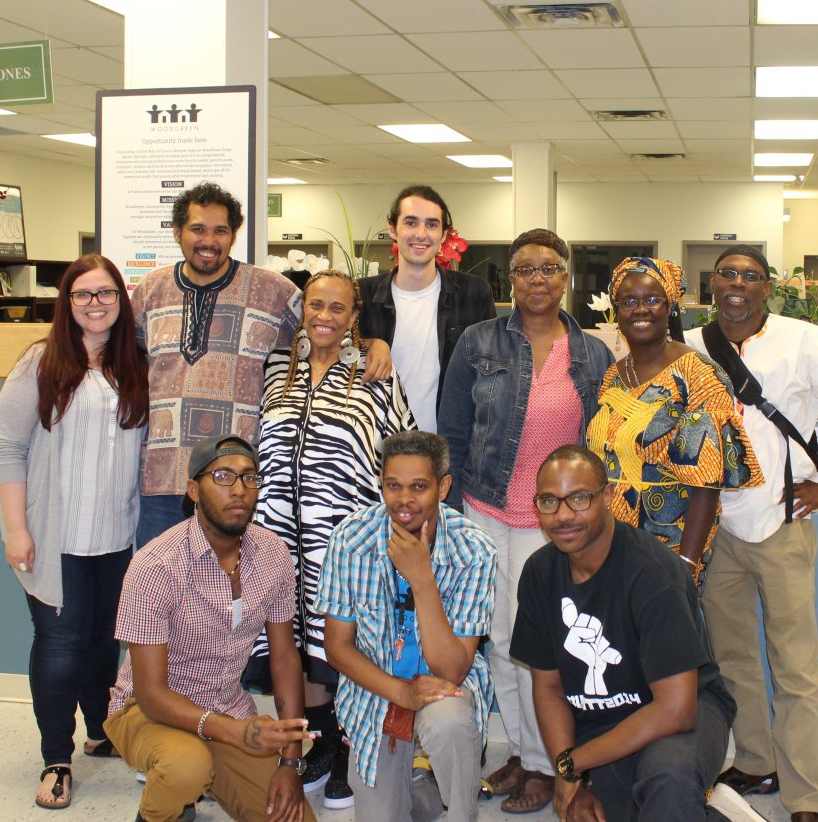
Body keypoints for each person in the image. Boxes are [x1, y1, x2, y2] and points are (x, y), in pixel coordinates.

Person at [684, 245, 818, 822]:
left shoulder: (807, 341)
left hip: (782, 524)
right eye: (727, 273)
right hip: (714, 524)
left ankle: (805, 795)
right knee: (730, 656)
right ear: (712, 283)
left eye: (750, 276)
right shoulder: (693, 348)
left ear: (766, 287)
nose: (737, 284)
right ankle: (754, 760)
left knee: (795, 666)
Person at [439, 228, 614, 813]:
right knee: (498, 638)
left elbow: (602, 444)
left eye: (549, 269)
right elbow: (453, 433)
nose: (538, 279)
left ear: (565, 278)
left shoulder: (592, 353)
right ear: (508, 281)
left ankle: (546, 761)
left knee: (542, 641)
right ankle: (523, 751)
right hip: (487, 510)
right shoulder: (477, 341)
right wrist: (453, 514)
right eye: (525, 270)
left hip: (557, 523)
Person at [131, 182, 392, 546]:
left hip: (236, 484)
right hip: (162, 480)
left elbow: (325, 326)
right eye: (198, 229)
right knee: (157, 592)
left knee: (234, 596)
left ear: (233, 236)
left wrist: (375, 344)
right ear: (178, 232)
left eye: (220, 230)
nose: (209, 240)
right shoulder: (149, 292)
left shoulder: (273, 291)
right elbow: (121, 364)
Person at [511, 445, 759, 822]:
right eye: (549, 501)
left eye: (579, 499)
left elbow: (676, 711)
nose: (563, 516)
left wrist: (574, 763)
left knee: (667, 785)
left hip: (685, 709)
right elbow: (548, 688)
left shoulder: (653, 573)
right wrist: (572, 776)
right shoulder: (539, 574)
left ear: (607, 496)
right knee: (596, 813)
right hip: (604, 718)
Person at [245, 269, 416, 808]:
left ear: (353, 316)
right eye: (315, 304)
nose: (323, 316)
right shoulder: (277, 368)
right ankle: (312, 742)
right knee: (294, 644)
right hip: (276, 535)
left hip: (344, 539)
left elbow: (401, 449)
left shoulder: (374, 371)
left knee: (340, 643)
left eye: (336, 308)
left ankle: (347, 752)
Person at [0, 254, 149, 810]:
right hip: (54, 537)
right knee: (60, 647)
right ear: (67, 303)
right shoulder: (40, 362)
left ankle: (101, 730)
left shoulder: (134, 363)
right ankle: (57, 758)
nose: (95, 304)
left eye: (106, 294)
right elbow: (8, 448)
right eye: (83, 295)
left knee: (105, 642)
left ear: (120, 301)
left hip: (117, 537)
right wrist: (16, 529)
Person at [104, 435, 317, 822]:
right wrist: (236, 734)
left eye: (249, 478)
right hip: (145, 711)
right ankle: (164, 808)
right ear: (193, 490)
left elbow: (285, 659)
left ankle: (200, 780)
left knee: (291, 816)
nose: (238, 490)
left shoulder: (273, 554)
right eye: (223, 476)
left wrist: (290, 763)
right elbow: (151, 693)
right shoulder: (155, 565)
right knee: (186, 767)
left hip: (226, 705)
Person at [316, 431, 496, 821]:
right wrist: (401, 691)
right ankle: (419, 784)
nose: (404, 500)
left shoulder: (475, 548)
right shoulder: (351, 537)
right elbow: (337, 647)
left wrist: (422, 579)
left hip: (447, 688)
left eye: (419, 487)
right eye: (393, 486)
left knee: (448, 723)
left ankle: (460, 811)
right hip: (375, 691)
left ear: (443, 487)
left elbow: (452, 669)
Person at [586, 256, 762, 583]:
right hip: (606, 541)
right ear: (616, 311)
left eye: (653, 300)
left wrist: (687, 563)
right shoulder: (613, 374)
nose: (640, 309)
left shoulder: (698, 374)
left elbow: (706, 483)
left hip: (668, 545)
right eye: (629, 302)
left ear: (671, 308)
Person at [359, 184, 495, 432]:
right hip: (375, 446)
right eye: (411, 223)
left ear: (443, 235)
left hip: (447, 446)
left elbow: (491, 375)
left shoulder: (473, 293)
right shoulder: (362, 296)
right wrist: (370, 343)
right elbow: (330, 352)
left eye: (432, 225)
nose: (421, 234)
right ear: (393, 228)